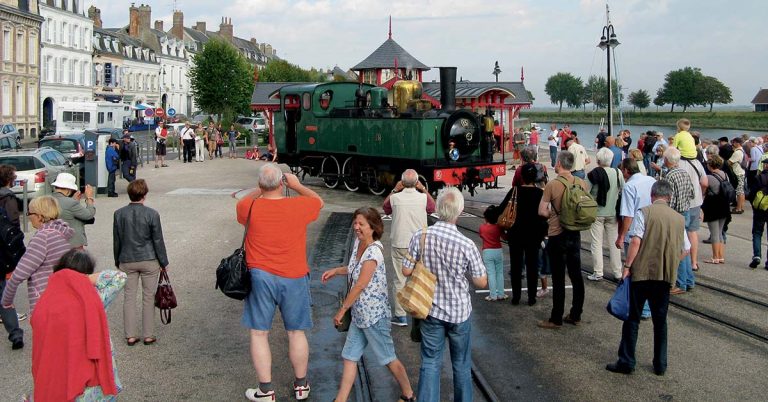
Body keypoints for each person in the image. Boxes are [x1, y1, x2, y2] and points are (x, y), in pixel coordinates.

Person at [236, 164, 323, 401]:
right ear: (282, 184)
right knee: (296, 332)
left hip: (260, 276)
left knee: (259, 333)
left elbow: (245, 201)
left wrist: (261, 188)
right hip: (294, 275)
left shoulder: (248, 207)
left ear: (260, 184)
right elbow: (318, 202)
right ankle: (301, 386)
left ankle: (266, 390)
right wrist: (297, 185)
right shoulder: (299, 205)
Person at [321, 208, 415, 402]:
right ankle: (340, 400)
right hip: (360, 316)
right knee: (349, 356)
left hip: (374, 317)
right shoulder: (359, 243)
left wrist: (342, 310)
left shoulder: (373, 252)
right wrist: (336, 271)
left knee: (388, 358)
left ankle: (408, 395)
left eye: (361, 224)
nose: (356, 227)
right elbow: (354, 268)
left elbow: (360, 285)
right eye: (355, 223)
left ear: (373, 228)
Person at [401, 187, 486, 402]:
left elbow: (406, 270)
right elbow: (480, 281)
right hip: (459, 313)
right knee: (461, 365)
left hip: (430, 310)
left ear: (437, 209)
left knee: (430, 362)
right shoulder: (467, 244)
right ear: (460, 211)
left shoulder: (420, 236)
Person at [606, 180, 690, 376]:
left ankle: (627, 361)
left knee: (633, 318)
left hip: (642, 274)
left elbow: (636, 241)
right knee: (660, 321)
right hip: (664, 276)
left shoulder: (644, 213)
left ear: (652, 196)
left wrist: (628, 266)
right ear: (669, 197)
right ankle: (660, 364)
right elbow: (686, 248)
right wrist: (672, 261)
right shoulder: (679, 219)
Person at [113, 179, 169, 346]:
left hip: (127, 258)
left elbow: (117, 240)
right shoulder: (152, 214)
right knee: (148, 297)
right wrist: (163, 261)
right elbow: (158, 240)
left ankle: (130, 335)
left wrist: (117, 259)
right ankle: (148, 334)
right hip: (148, 259)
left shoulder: (119, 214)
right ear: (144, 195)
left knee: (129, 297)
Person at [537, 151, 586, 329]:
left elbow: (542, 211)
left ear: (559, 163)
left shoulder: (553, 184)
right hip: (575, 233)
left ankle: (556, 318)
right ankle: (576, 314)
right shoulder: (581, 183)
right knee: (576, 276)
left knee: (558, 278)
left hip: (557, 234)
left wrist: (553, 214)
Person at [1, 196, 74, 315]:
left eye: (29, 213)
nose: (28, 217)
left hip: (45, 301)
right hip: (62, 294)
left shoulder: (43, 238)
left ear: (39, 216)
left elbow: (19, 274)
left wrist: (6, 301)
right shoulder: (61, 233)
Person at [382, 169, 435, 326]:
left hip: (400, 243)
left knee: (400, 279)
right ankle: (421, 311)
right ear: (417, 182)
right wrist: (423, 188)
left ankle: (400, 316)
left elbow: (385, 207)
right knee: (420, 277)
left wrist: (394, 189)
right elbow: (432, 208)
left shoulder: (395, 198)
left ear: (402, 183)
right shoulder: (423, 198)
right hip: (420, 244)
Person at [501, 164, 547, 306]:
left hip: (516, 234)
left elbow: (502, 208)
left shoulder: (514, 191)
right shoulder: (539, 193)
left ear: (521, 176)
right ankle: (531, 297)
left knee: (516, 266)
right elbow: (544, 215)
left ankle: (516, 297)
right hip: (534, 234)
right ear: (535, 177)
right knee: (532, 266)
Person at [616, 158, 656, 319]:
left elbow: (628, 215)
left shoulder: (629, 186)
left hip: (634, 232)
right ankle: (647, 306)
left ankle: (641, 307)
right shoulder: (651, 180)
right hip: (651, 228)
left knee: (634, 269)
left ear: (626, 171)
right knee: (648, 269)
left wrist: (621, 236)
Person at [587, 148, 625, 281]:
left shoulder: (593, 174)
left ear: (598, 160)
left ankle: (598, 271)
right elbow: (623, 189)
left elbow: (586, 192)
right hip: (612, 212)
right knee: (614, 243)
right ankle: (617, 272)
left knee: (596, 242)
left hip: (597, 212)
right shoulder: (618, 172)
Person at [0, 165, 24, 349]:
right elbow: (14, 223)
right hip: (4, 249)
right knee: (4, 293)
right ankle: (15, 334)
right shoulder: (8, 197)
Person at [51, 173, 95, 249]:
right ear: (69, 190)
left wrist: (74, 201)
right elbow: (89, 215)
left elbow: (66, 212)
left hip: (54, 243)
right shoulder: (70, 203)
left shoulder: (47, 200)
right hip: (72, 244)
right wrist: (89, 198)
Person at [701, 156, 730, 264]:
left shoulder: (709, 177)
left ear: (710, 165)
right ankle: (721, 256)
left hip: (713, 205)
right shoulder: (725, 174)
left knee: (714, 233)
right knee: (720, 232)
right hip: (724, 205)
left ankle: (715, 257)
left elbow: (704, 187)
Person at [479, 206, 506, 301]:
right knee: (499, 273)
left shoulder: (482, 228)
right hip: (498, 250)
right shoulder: (499, 227)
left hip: (487, 251)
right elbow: (504, 237)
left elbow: (481, 236)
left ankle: (493, 295)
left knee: (491, 274)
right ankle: (501, 294)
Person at [750, 159, 768, 269]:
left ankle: (757, 256)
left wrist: (754, 206)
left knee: (757, 232)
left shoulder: (759, 177)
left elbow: (751, 194)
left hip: (760, 209)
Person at [729, 137, 746, 214]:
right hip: (741, 172)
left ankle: (738, 209)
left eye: (734, 142)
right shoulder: (742, 150)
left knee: (739, 192)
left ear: (737, 143)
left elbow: (729, 162)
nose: (732, 144)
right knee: (741, 191)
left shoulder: (737, 152)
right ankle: (741, 207)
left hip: (738, 173)